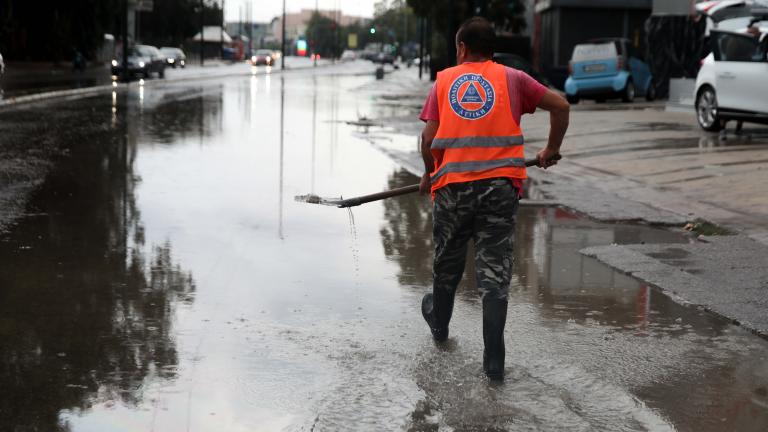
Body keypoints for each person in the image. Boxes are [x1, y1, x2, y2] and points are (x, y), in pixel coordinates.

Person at [418, 16, 569, 381]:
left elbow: (428, 138)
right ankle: (494, 361)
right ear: (492, 49)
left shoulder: (444, 81)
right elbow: (561, 106)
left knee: (447, 265)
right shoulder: (512, 79)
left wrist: (428, 171)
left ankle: (439, 326)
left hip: (453, 190)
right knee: (494, 275)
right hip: (500, 189)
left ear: (462, 48)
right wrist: (550, 148)